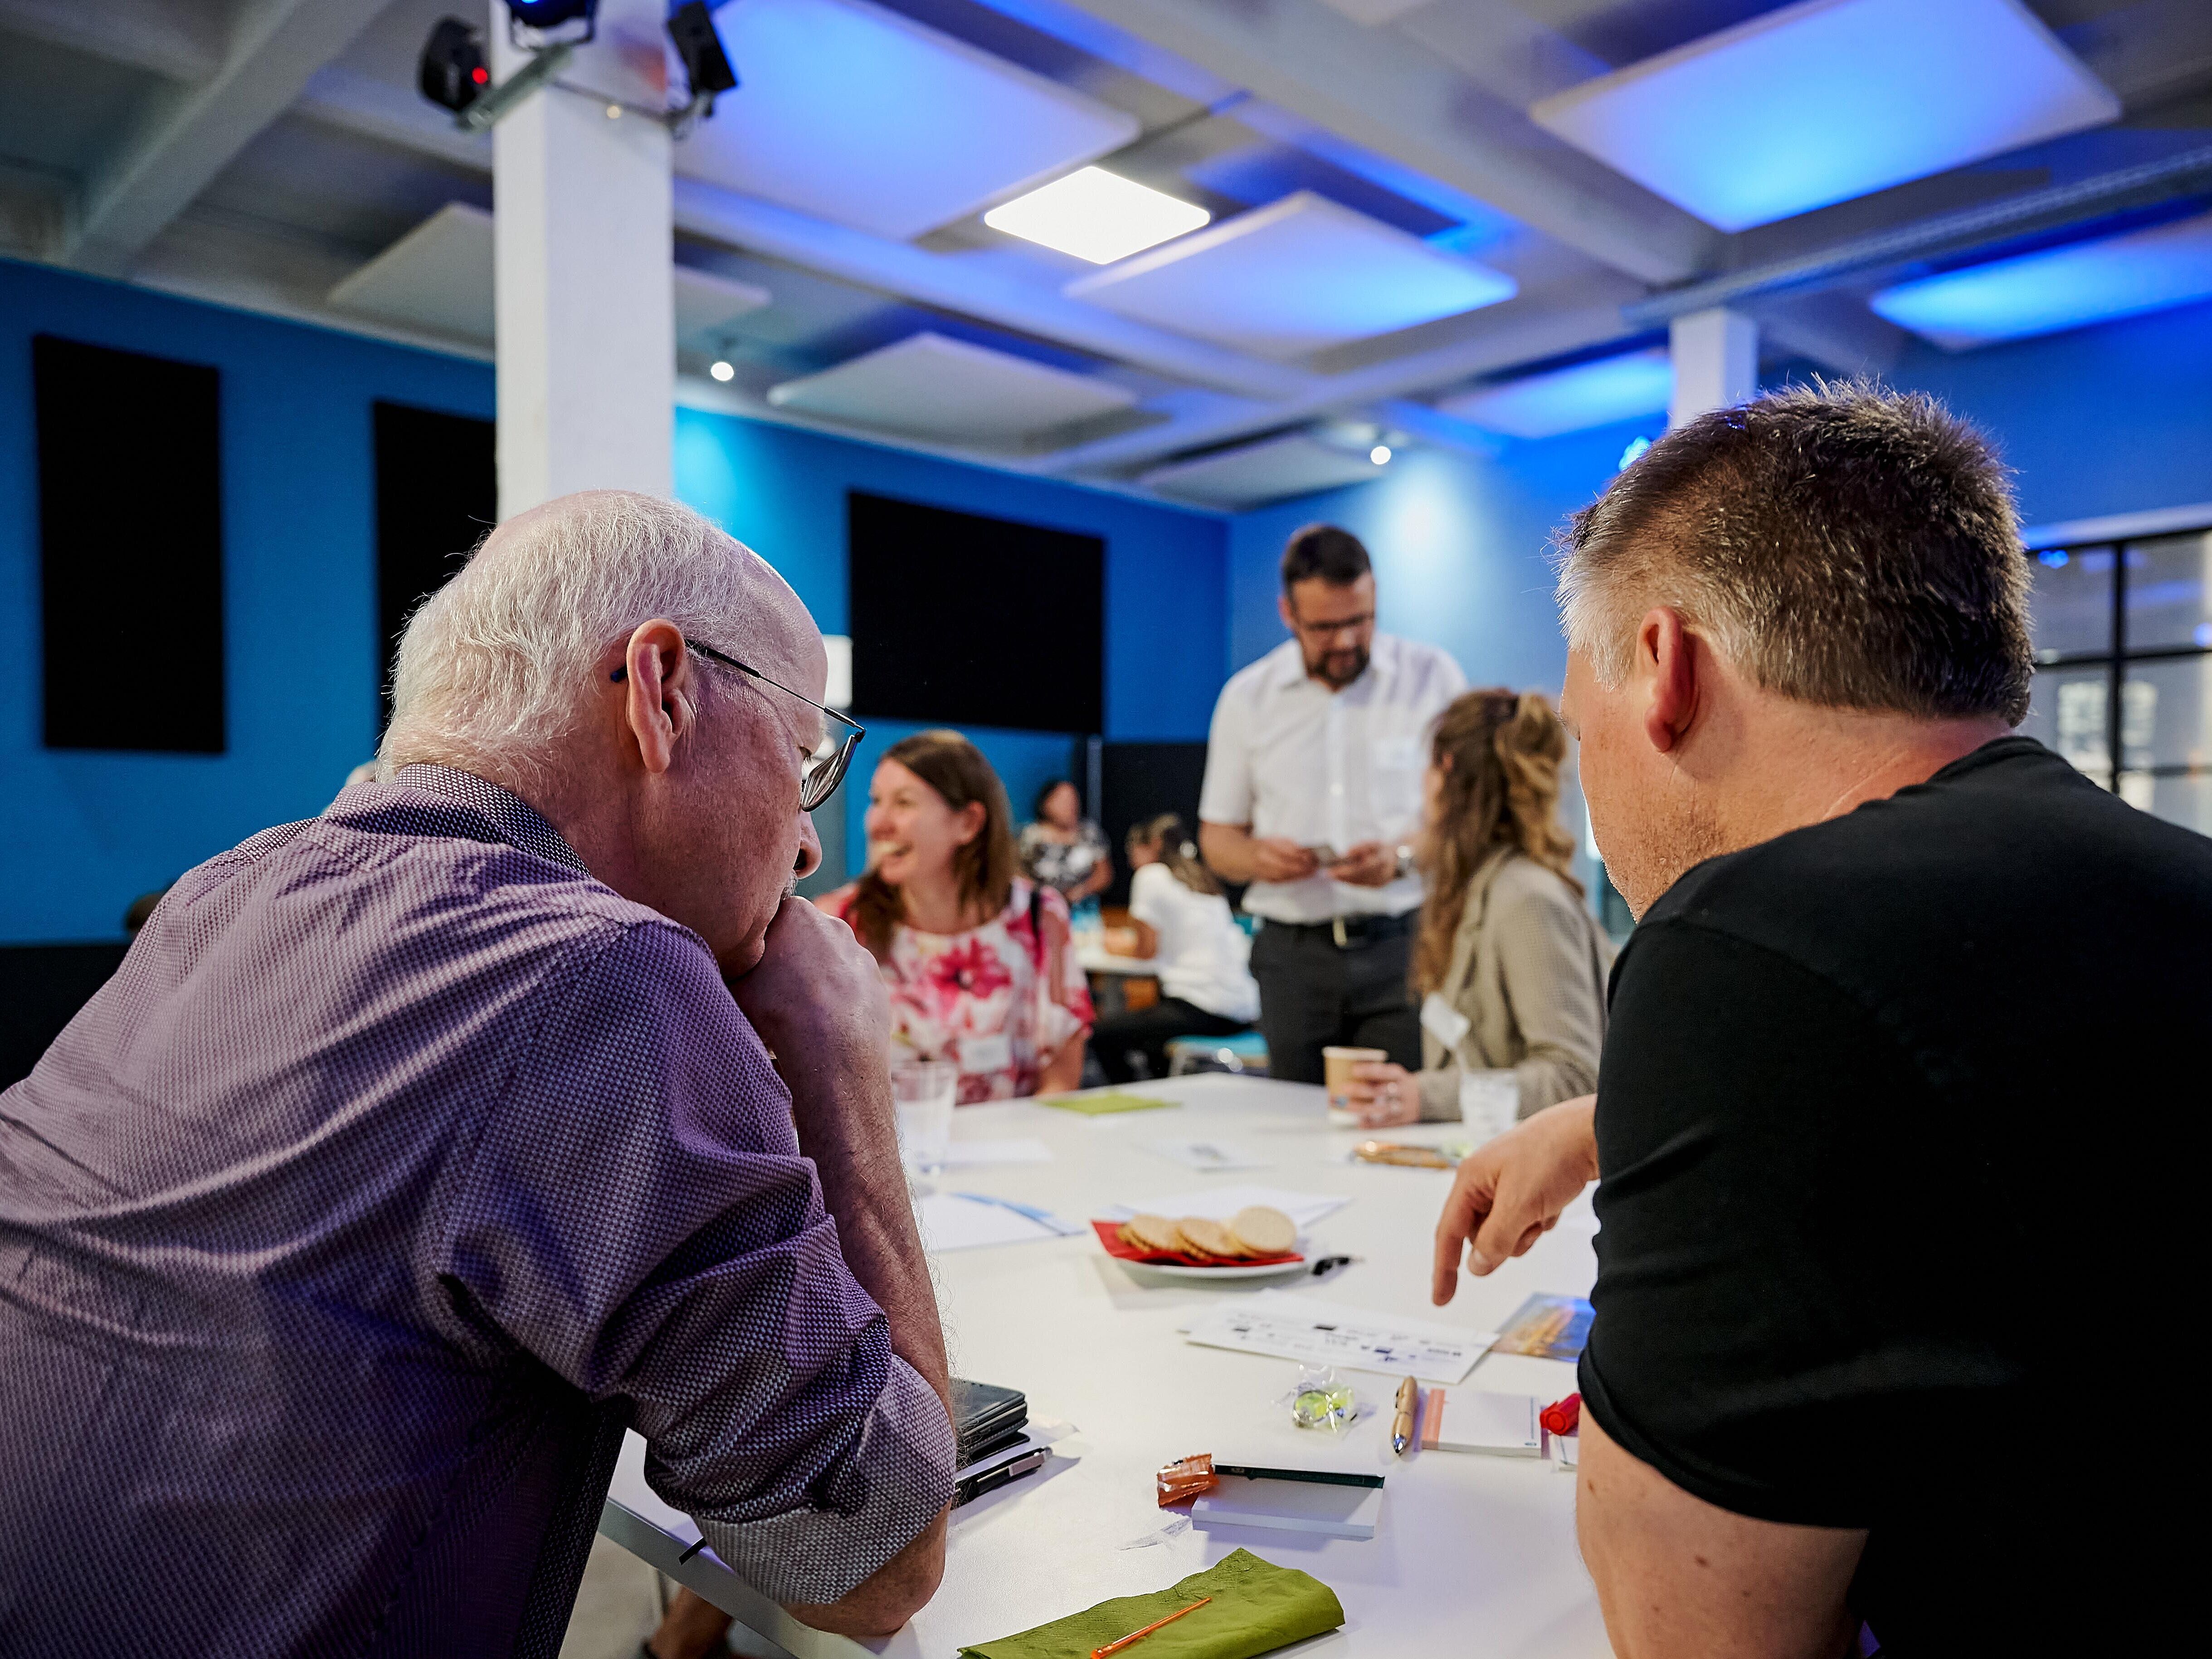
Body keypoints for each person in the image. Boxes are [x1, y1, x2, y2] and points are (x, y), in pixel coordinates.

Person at [0, 492, 955, 1658]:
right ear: (662, 691)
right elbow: (868, 1563)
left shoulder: (219, 892)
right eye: (804, 758)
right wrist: (841, 1065)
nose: (810, 843)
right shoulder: (603, 971)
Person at [1428, 384, 2209, 1656]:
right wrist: (1602, 1121)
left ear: (1662, 670)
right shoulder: (2165, 887)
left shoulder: (1738, 949)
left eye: (1583, 732)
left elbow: (1695, 1636)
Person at [1198, 524, 1466, 1083]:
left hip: (1405, 944)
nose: (1345, 641)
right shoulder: (1248, 698)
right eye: (1325, 627)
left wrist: (1400, 861)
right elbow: (1218, 840)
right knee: (1296, 1127)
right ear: (1287, 614)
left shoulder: (1431, 678)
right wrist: (1258, 859)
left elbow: (1462, 820)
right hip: (1295, 954)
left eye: (1359, 621)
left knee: (1404, 1117)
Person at [1340, 688, 1612, 1128]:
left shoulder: (1527, 897)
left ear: (1446, 770)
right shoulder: (1472, 888)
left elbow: (1575, 1077)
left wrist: (1425, 1096)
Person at [819, 731, 1093, 1101]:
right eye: (876, 801)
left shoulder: (1038, 917)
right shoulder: (838, 925)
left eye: (903, 803)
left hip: (1013, 1153)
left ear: (968, 823)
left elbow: (1060, 1076)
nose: (877, 823)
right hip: (889, 1157)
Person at [1091, 814, 1261, 1083]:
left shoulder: (1151, 875)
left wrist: (1112, 945)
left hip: (1201, 1006)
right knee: (1149, 1039)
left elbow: (1145, 950)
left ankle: (1133, 1106)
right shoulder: (1201, 878)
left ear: (1155, 844)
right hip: (1245, 1010)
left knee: (1100, 1035)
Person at [1018, 778, 1112, 906]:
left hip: (1083, 913)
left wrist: (1081, 891)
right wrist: (1042, 895)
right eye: (1064, 801)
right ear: (1046, 804)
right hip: (1040, 909)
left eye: (1074, 800)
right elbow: (1017, 872)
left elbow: (1104, 874)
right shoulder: (1030, 835)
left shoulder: (1090, 833)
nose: (1071, 806)